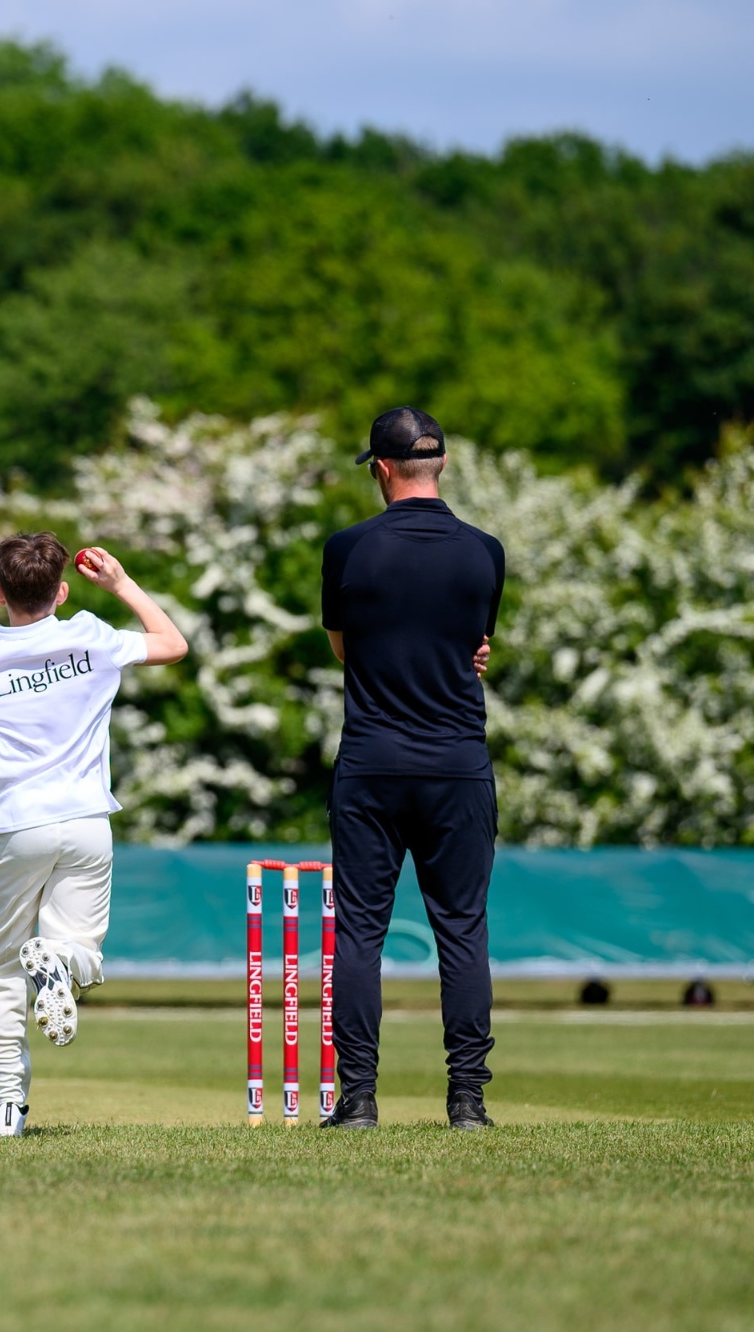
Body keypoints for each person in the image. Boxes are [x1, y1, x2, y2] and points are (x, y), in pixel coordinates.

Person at [0, 534, 188, 1136]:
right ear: (61, 591)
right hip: (86, 820)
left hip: (16, 825)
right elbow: (173, 644)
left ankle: (5, 1108)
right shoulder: (89, 635)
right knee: (80, 947)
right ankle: (60, 963)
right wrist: (120, 584)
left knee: (0, 967)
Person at [321, 406, 503, 1132]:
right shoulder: (485, 551)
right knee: (462, 930)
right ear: (443, 465)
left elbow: (344, 649)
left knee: (362, 931)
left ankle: (359, 1099)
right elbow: (474, 647)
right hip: (457, 761)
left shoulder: (347, 549)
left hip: (372, 760)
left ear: (381, 468)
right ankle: (468, 1099)